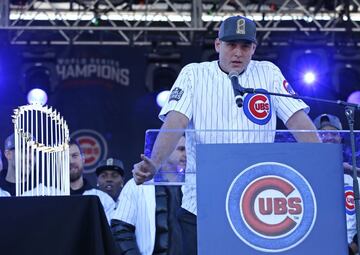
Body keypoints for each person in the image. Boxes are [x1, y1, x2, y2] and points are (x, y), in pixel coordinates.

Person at [132, 15, 320, 254]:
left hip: (257, 205)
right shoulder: (194, 74)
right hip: (202, 203)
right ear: (218, 45)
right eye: (231, 45)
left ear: (254, 48)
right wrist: (155, 163)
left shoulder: (268, 73)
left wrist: (324, 161)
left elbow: (297, 121)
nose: (238, 53)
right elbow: (175, 122)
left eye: (245, 46)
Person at [111, 136, 186, 255]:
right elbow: (121, 229)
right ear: (166, 150)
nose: (186, 154)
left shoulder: (195, 187)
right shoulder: (136, 185)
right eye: (181, 149)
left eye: (188, 149)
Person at [313, 113, 359, 255]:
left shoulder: (354, 180)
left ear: (341, 138)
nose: (328, 138)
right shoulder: (304, 177)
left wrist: (352, 249)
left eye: (333, 133)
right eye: (322, 134)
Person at [69, 138, 115, 223]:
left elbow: (109, 234)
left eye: (74, 156)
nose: (70, 161)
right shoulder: (49, 195)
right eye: (64, 157)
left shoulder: (103, 199)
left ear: (83, 159)